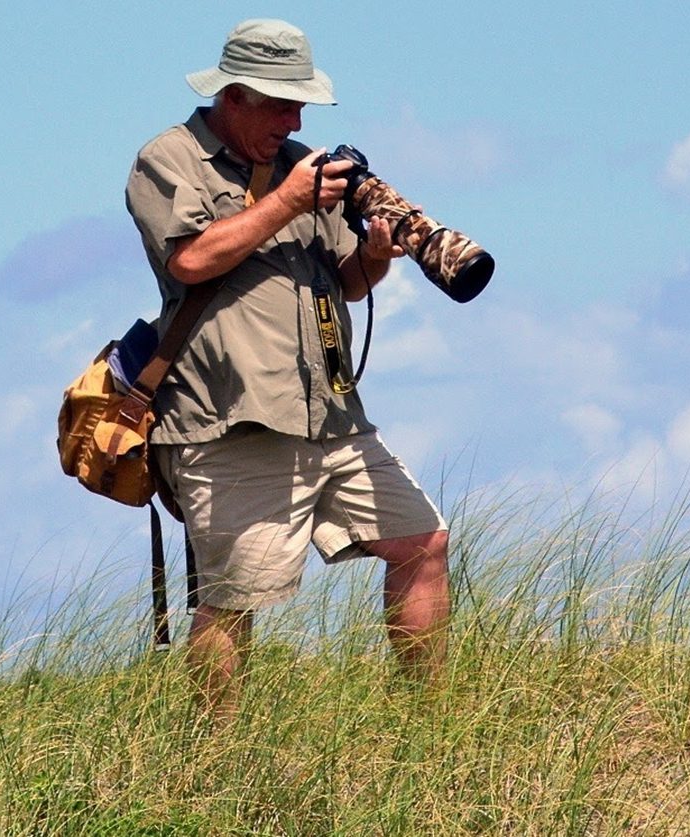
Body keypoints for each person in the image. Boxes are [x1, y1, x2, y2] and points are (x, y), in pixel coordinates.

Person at [125, 19, 450, 716]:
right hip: (229, 420)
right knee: (232, 599)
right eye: (279, 103)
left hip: (329, 413)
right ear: (234, 95)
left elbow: (346, 280)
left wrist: (377, 256)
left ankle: (434, 725)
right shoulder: (169, 158)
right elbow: (189, 260)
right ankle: (219, 758)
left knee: (424, 540)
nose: (295, 119)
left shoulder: (303, 164)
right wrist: (287, 200)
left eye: (300, 104)